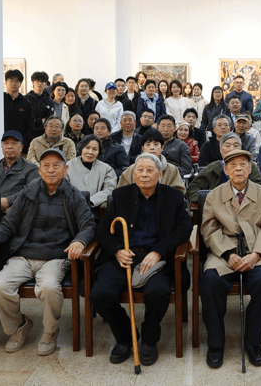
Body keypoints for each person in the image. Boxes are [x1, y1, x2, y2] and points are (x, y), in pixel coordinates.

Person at [0, 148, 95, 356]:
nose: (51, 170)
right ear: (39, 170)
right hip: (23, 255)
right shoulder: (28, 193)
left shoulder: (74, 195)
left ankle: (50, 331)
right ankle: (19, 326)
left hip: (55, 257)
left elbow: (88, 225)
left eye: (56, 165)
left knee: (48, 288)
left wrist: (79, 241)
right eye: (46, 166)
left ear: (66, 169)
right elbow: (8, 224)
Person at [89, 153, 193, 366]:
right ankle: (126, 336)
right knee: (99, 294)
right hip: (124, 256)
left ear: (160, 174)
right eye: (140, 170)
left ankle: (149, 337)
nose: (144, 175)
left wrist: (159, 251)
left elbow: (184, 229)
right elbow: (102, 230)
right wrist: (117, 250)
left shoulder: (173, 197)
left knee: (158, 293)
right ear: (133, 173)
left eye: (149, 170)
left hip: (156, 259)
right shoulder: (120, 195)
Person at [200, 149, 261, 369]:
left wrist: (256, 254)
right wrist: (228, 254)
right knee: (210, 282)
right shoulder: (214, 195)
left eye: (243, 164)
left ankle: (253, 341)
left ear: (250, 169)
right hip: (223, 252)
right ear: (226, 170)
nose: (238, 169)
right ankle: (216, 343)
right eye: (233, 165)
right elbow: (209, 229)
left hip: (257, 251)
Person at [186, 133, 261, 204]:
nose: (232, 149)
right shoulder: (212, 168)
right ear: (220, 149)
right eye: (227, 146)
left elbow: (260, 186)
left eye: (236, 146)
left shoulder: (250, 166)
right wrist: (208, 202)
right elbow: (193, 188)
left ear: (241, 148)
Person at [0, 130, 40, 211]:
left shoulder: (31, 168)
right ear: (2, 146)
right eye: (6, 143)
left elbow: (31, 191)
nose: (9, 147)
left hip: (17, 211)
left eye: (14, 143)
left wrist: (9, 201)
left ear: (21, 147)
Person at [117, 129, 186, 193]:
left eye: (156, 144)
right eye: (148, 145)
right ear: (143, 148)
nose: (152, 148)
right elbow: (121, 192)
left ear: (162, 147)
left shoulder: (172, 170)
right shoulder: (131, 169)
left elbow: (179, 192)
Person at [66, 134, 117, 208]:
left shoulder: (106, 169)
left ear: (99, 151)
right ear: (81, 148)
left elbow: (109, 189)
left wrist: (91, 201)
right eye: (87, 148)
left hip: (94, 207)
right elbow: (64, 188)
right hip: (71, 206)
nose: (90, 152)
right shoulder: (68, 166)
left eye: (94, 149)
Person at [3, 69, 33, 146]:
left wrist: (24, 144)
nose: (14, 83)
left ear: (20, 84)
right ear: (5, 82)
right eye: (11, 80)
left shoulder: (26, 103)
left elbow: (30, 126)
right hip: (1, 142)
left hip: (19, 144)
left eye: (17, 81)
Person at [25, 71, 53, 141]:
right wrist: (41, 120)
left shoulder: (49, 100)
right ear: (32, 82)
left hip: (45, 135)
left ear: (46, 83)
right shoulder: (26, 99)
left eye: (42, 81)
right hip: (29, 135)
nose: (40, 84)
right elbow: (26, 119)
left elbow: (49, 119)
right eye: (37, 81)